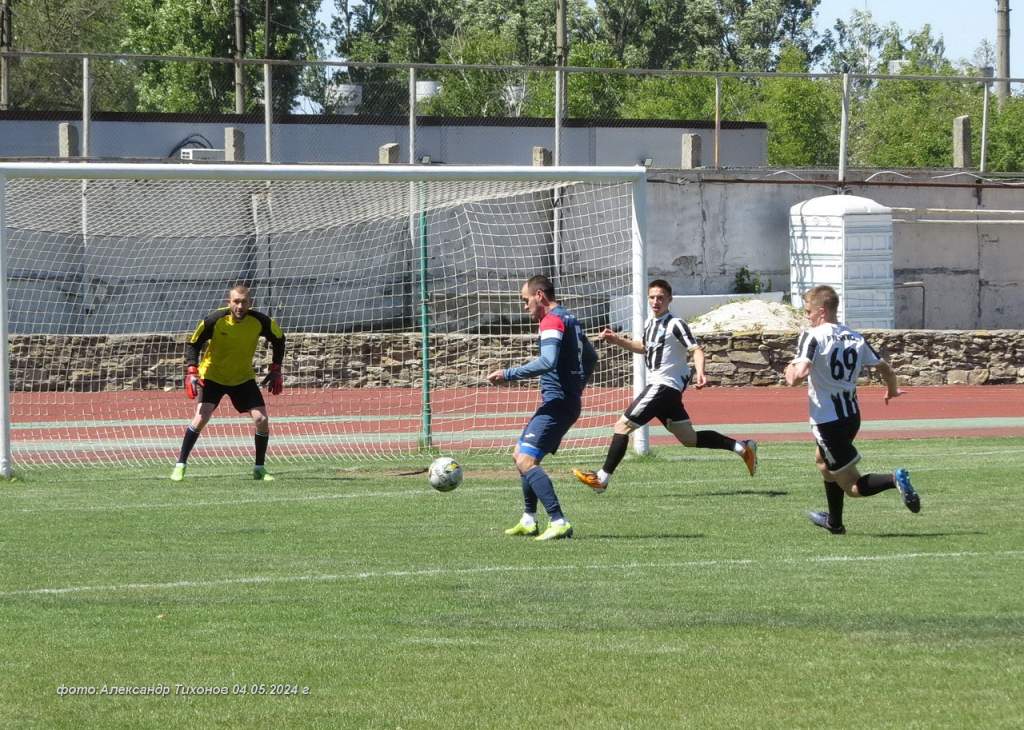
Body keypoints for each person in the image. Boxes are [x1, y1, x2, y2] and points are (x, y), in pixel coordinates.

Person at [572, 279, 757, 493]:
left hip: (663, 386)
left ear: (669, 299)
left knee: (622, 426)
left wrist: (701, 372)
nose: (655, 301)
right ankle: (742, 447)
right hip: (666, 391)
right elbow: (643, 347)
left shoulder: (676, 324)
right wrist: (617, 340)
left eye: (660, 297)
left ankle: (602, 479)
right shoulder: (650, 324)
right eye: (652, 297)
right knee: (689, 438)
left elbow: (696, 349)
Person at [784, 285, 920, 534]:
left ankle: (894, 479)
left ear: (821, 311)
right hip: (851, 417)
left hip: (828, 421)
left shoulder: (812, 336)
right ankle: (834, 523)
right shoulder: (855, 337)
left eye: (808, 311)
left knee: (852, 486)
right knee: (823, 462)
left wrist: (789, 369)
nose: (807, 316)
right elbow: (886, 369)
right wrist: (892, 390)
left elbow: (797, 376)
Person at [487, 274, 597, 541]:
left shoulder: (551, 320)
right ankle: (529, 519)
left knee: (526, 460)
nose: (525, 306)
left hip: (559, 403)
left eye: (526, 300)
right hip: (563, 401)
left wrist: (508, 374)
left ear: (540, 296)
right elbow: (592, 357)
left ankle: (559, 521)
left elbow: (547, 361)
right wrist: (576, 385)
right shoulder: (569, 318)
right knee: (520, 454)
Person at [170, 283, 286, 482]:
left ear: (251, 303)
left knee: (261, 420)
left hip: (242, 377)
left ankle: (259, 468)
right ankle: (180, 465)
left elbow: (279, 339)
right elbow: (194, 343)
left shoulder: (260, 321)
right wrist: (192, 371)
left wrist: (276, 368)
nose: (240, 306)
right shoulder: (214, 320)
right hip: (212, 376)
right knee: (201, 417)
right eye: (236, 302)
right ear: (229, 302)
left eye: (244, 302)